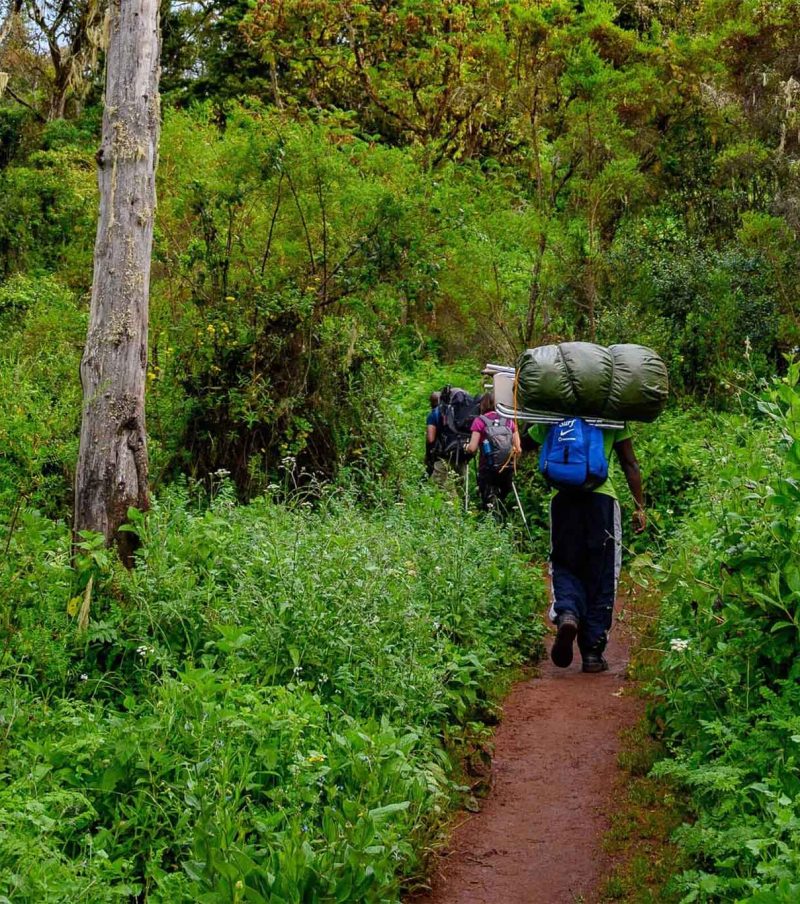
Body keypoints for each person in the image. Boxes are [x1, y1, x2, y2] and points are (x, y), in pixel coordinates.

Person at [523, 422, 646, 673]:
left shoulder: (555, 411)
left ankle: (568, 613)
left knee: (564, 563)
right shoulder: (611, 413)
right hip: (602, 500)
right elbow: (629, 462)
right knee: (602, 573)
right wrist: (639, 506)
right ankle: (592, 652)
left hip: (563, 500)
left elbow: (526, 443)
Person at [464, 392, 521, 511]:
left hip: (487, 467)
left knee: (488, 499)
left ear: (483, 404)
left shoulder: (479, 421)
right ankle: (504, 520)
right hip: (506, 466)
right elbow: (518, 449)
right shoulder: (509, 421)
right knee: (503, 498)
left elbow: (473, 448)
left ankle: (490, 520)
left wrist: (466, 447)